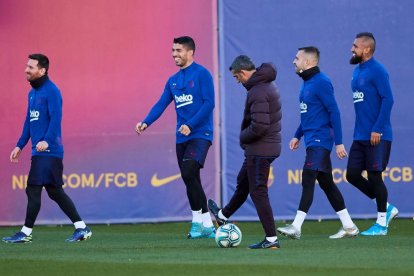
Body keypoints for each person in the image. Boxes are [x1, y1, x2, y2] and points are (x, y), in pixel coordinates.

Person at [3, 54, 92, 243]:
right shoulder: (32, 93)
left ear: (42, 70)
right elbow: (29, 120)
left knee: (33, 188)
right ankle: (82, 228)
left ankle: (25, 233)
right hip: (40, 151)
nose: (26, 69)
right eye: (26, 66)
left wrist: (47, 140)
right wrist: (20, 145)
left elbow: (56, 118)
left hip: (48, 151)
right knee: (55, 192)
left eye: (31, 67)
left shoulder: (52, 91)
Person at [135, 36, 215, 239]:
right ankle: (204, 225)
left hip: (200, 133)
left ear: (190, 52)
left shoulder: (202, 74)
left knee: (189, 171)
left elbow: (209, 104)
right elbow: (161, 104)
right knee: (190, 179)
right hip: (182, 137)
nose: (174, 54)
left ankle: (200, 223)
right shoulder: (173, 80)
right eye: (173, 51)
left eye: (178, 50)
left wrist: (190, 124)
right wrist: (146, 122)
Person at [277, 47, 359, 240]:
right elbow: (309, 114)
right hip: (312, 138)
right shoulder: (306, 83)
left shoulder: (321, 82)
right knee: (326, 182)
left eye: (297, 58)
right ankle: (349, 226)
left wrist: (339, 142)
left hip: (322, 139)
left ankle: (296, 226)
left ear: (308, 62)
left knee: (308, 176)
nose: (293, 61)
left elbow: (334, 112)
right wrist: (298, 135)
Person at [208, 55, 282, 249]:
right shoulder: (264, 84)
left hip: (260, 148)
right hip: (262, 148)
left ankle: (272, 240)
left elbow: (260, 126)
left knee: (258, 192)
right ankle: (223, 216)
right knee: (243, 183)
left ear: (242, 72)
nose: (237, 81)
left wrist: (242, 136)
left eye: (236, 77)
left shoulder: (257, 91)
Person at [346, 32, 398, 236]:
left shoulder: (378, 70)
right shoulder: (357, 71)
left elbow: (388, 100)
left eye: (355, 46)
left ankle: (381, 224)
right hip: (360, 135)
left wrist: (378, 128)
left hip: (378, 134)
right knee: (351, 175)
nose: (352, 49)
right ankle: (387, 207)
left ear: (366, 49)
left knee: (375, 176)